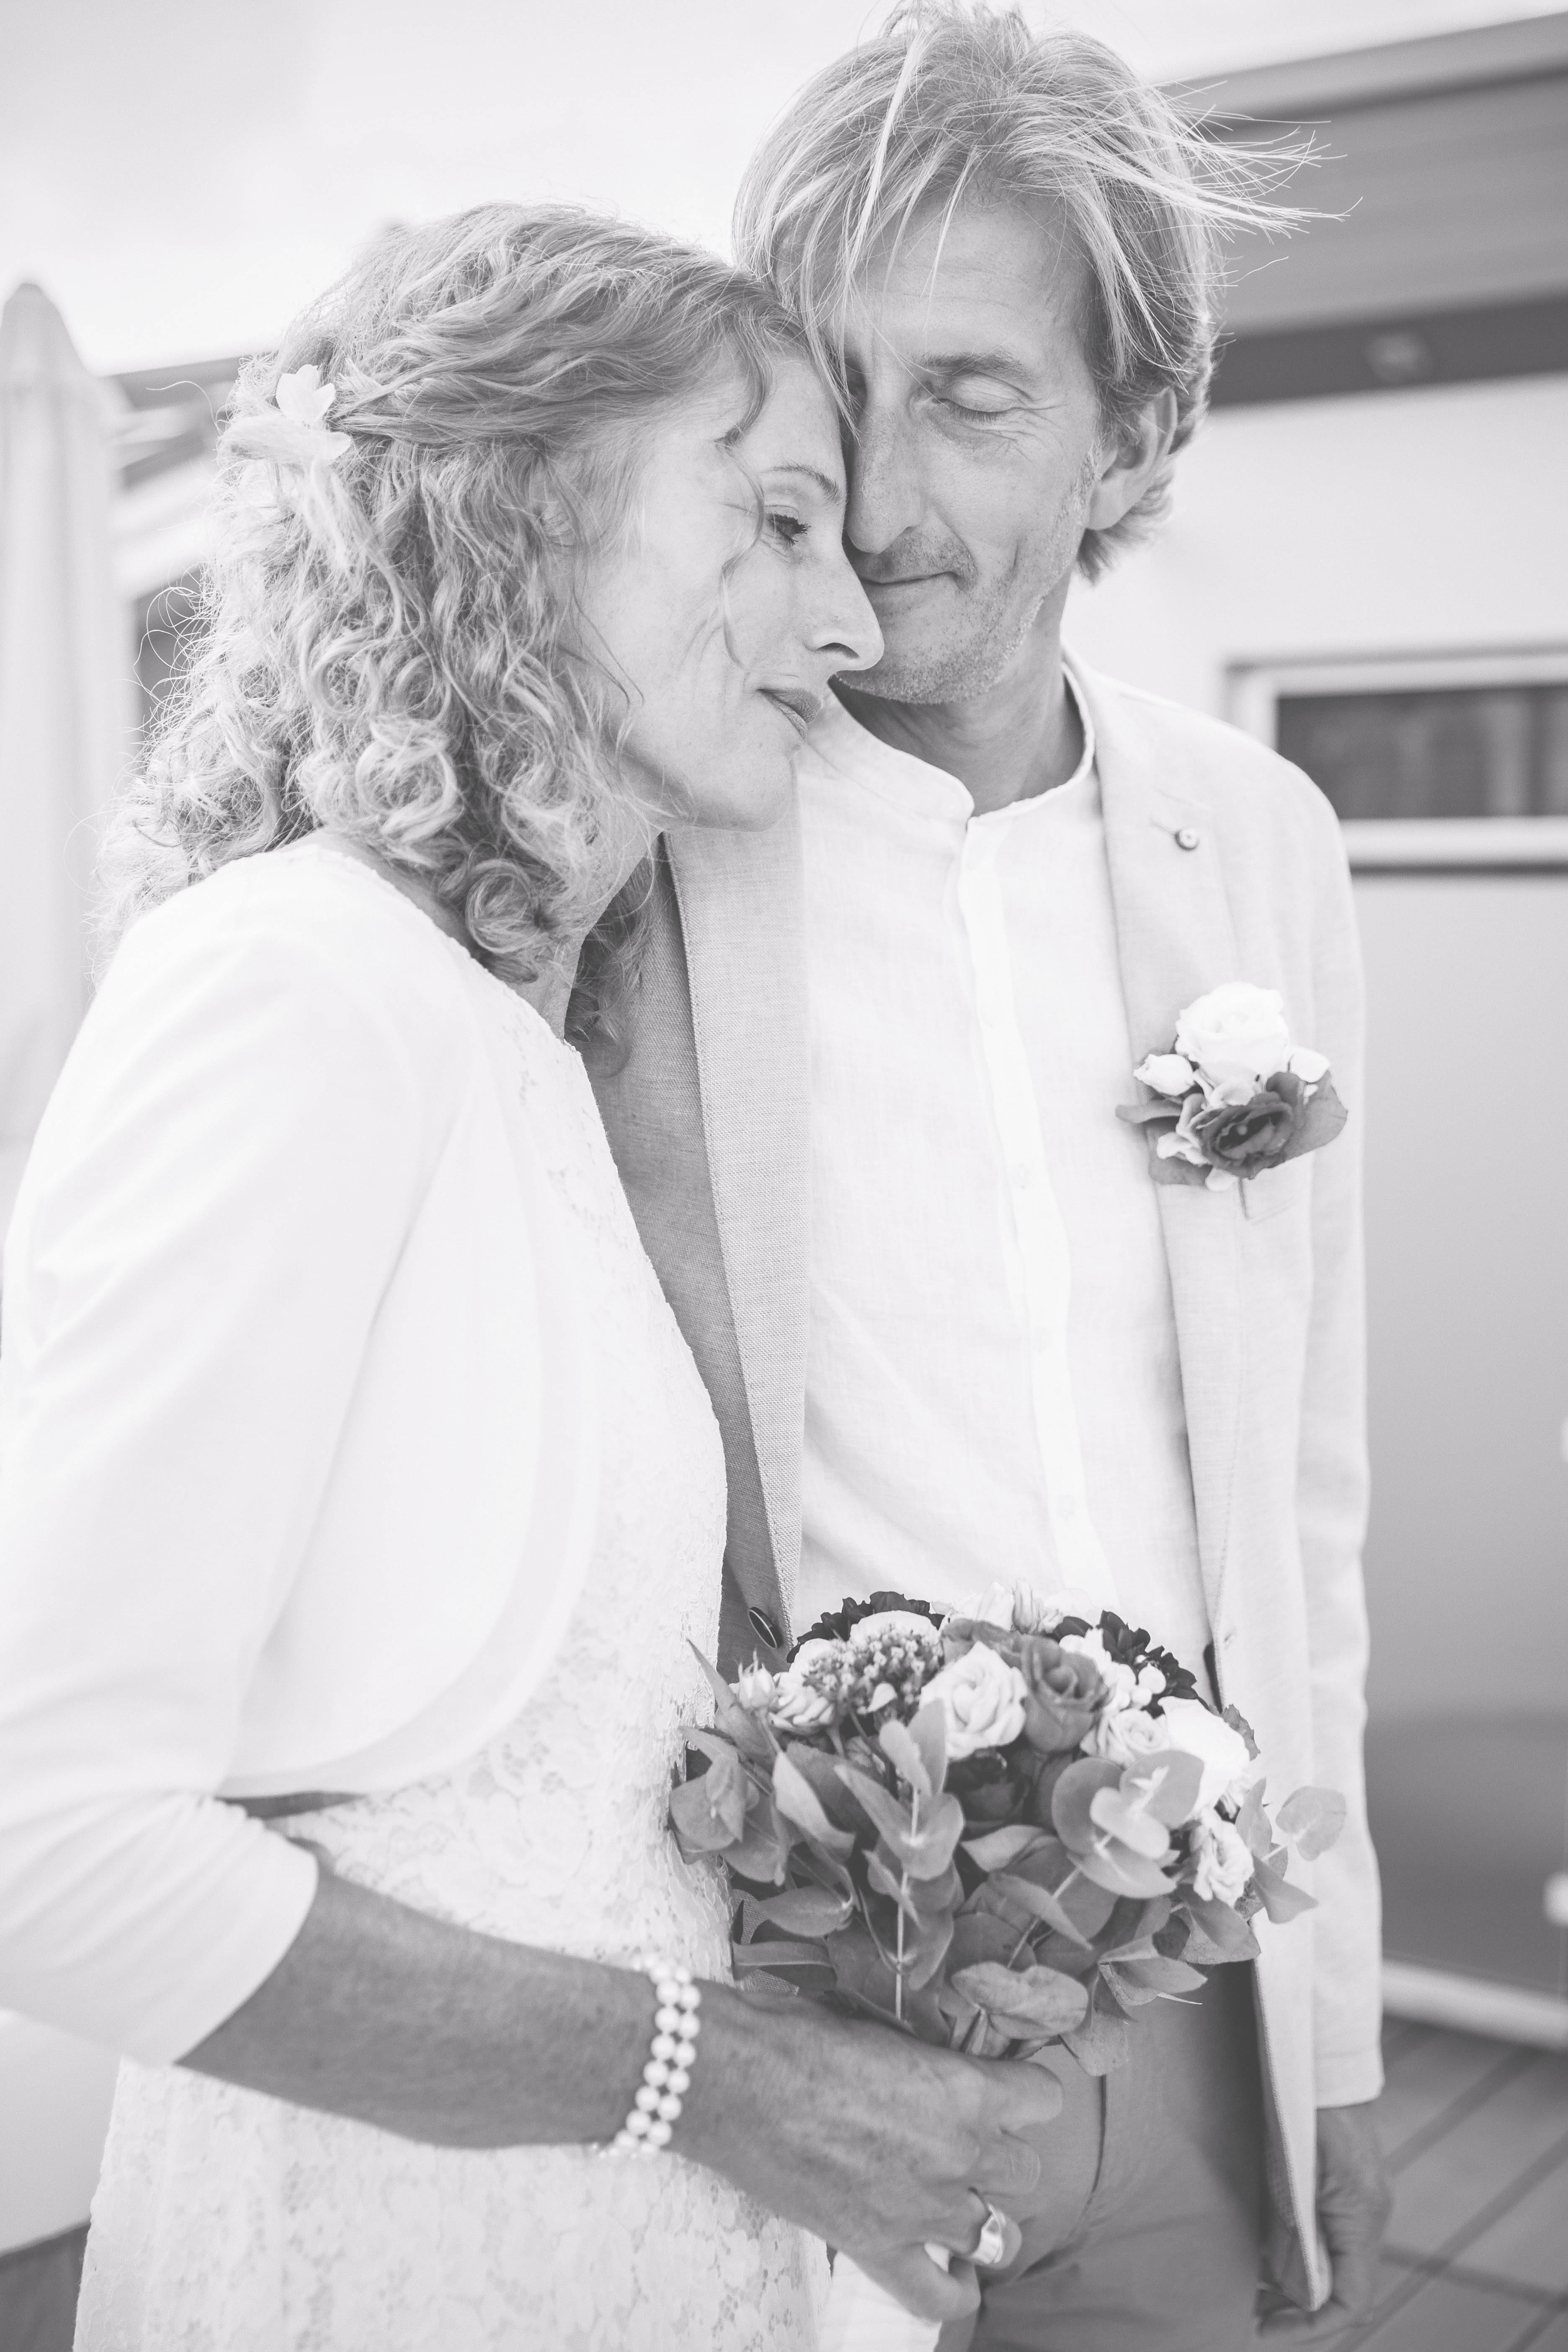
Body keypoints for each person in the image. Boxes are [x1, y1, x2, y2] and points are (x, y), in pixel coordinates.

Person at [0, 204, 1061, 2351]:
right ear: (514, 505)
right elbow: (41, 1842)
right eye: (772, 518)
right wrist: (739, 2087)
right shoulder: (295, 990)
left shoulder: (522, 1039)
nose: (849, 619)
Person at [585, 9, 1392, 2347]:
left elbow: (1300, 1493)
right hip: (767, 2016)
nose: (878, 489)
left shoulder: (1261, 840)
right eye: (839, 386)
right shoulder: (649, 834)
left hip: (1195, 2005)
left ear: (1134, 424)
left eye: (977, 392)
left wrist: (1327, 2027)